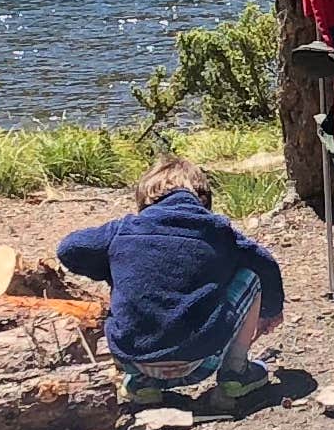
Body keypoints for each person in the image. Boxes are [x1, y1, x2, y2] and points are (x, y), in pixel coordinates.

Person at [57, 157, 284, 412]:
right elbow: (264, 263)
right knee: (249, 277)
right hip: (203, 360)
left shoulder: (123, 230)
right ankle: (235, 371)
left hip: (136, 358)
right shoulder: (217, 231)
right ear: (204, 199)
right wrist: (271, 311)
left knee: (125, 280)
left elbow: (69, 248)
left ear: (145, 199)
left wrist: (111, 270)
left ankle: (142, 385)